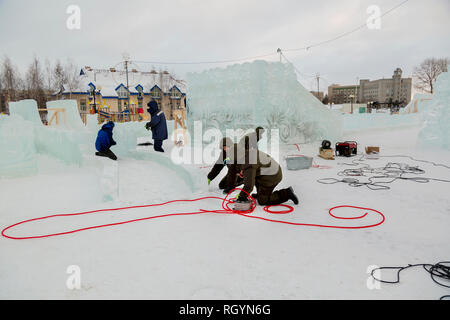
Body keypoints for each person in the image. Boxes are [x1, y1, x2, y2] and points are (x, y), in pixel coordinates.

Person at [232, 144, 299, 206]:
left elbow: (249, 185)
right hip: (267, 172)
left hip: (272, 176)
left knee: (263, 201)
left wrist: (242, 197)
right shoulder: (248, 153)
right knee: (253, 178)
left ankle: (287, 193)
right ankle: (261, 194)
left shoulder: (249, 162)